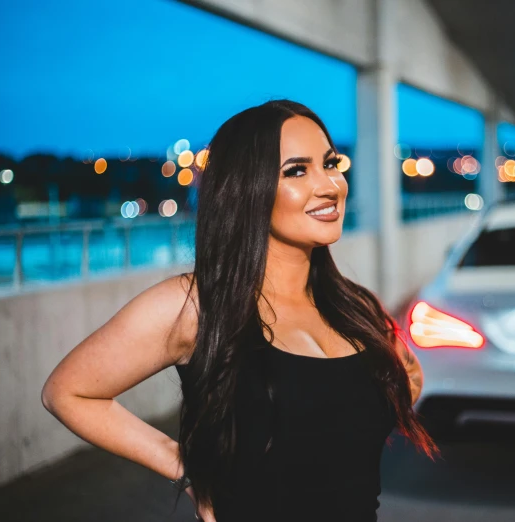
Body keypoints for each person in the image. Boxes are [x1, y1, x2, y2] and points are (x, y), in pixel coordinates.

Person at [41, 99, 438, 521]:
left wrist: (400, 381)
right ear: (247, 188)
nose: (330, 185)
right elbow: (67, 392)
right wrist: (188, 471)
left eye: (330, 163)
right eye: (296, 171)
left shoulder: (357, 307)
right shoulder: (196, 305)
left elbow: (351, 420)